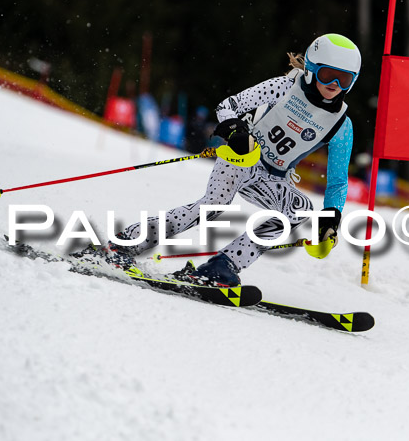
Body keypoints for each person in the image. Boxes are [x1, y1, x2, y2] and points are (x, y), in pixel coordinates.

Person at [89, 33, 361, 286]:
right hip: (242, 158)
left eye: (344, 80)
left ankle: (223, 265)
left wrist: (331, 217)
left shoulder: (341, 125)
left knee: (299, 209)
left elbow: (337, 182)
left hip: (272, 177)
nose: (334, 86)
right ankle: (124, 243)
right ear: (312, 69)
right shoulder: (284, 87)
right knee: (212, 208)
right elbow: (228, 106)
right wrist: (235, 130)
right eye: (328, 76)